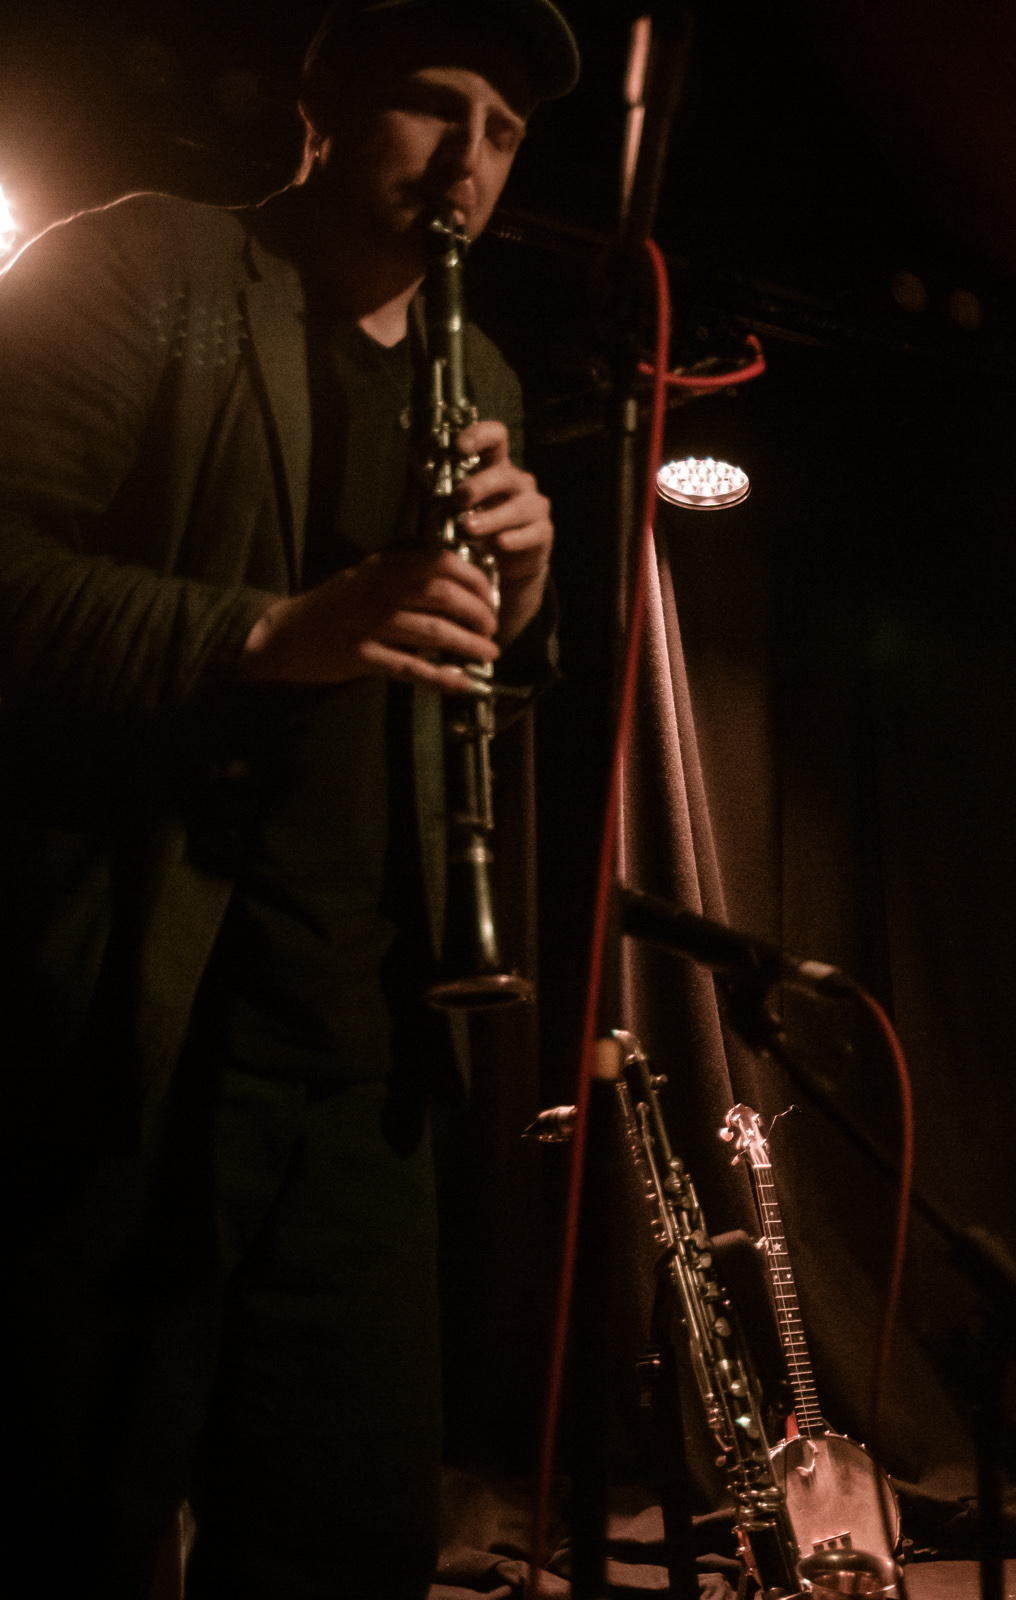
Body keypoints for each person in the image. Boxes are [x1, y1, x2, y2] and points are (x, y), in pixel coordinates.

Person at [0, 2, 577, 1591]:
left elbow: (461, 709)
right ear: (323, 104)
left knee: (343, 1544)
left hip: (364, 1060)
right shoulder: (149, 275)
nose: (471, 163)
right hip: (131, 1043)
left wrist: (519, 601)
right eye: (432, 107)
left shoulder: (486, 371)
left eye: (507, 135)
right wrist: (268, 632)